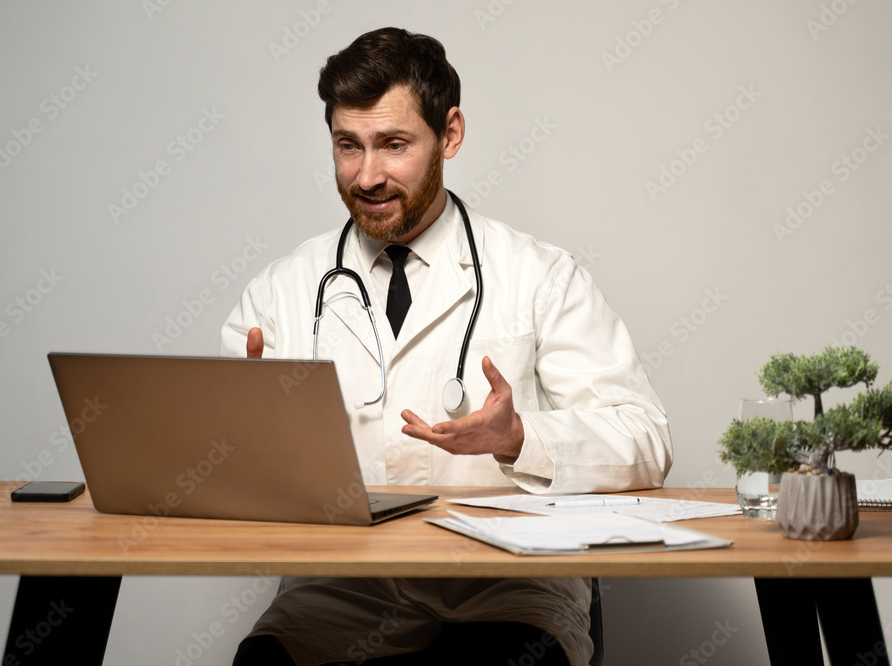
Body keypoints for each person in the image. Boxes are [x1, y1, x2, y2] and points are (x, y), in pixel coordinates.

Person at [220, 27, 672, 666]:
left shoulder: (539, 275)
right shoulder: (282, 290)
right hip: (346, 587)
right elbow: (216, 472)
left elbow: (646, 439)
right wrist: (245, 441)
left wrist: (520, 438)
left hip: (508, 582)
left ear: (450, 134)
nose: (367, 176)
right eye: (348, 146)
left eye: (393, 144)